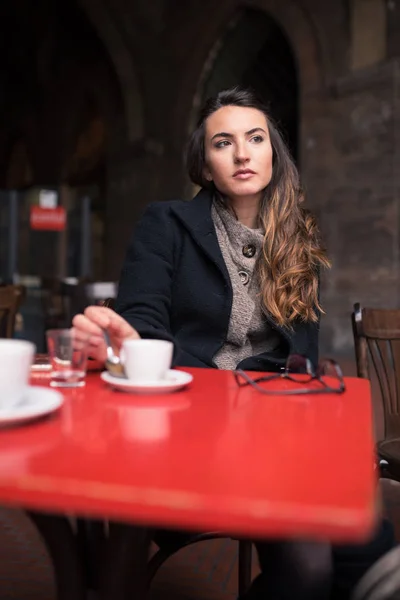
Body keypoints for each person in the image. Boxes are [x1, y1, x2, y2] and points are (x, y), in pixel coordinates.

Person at [72, 87, 394, 599]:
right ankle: (381, 571)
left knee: (315, 560)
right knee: (317, 564)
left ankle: (380, 572)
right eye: (223, 142)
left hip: (271, 437)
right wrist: (126, 342)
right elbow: (146, 331)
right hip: (184, 432)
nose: (242, 153)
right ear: (204, 165)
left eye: (255, 138)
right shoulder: (166, 225)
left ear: (273, 155)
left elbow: (301, 364)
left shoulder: (297, 243)